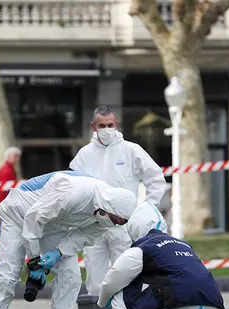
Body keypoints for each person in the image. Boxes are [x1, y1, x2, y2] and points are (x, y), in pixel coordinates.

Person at [0, 170, 138, 309]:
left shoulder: (108, 214)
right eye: (114, 220)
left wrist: (58, 253)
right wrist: (35, 261)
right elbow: (33, 219)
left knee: (71, 276)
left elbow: (82, 236)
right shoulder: (73, 193)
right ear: (108, 208)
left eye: (119, 223)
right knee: (6, 276)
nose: (114, 224)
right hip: (18, 215)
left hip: (52, 226)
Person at [97, 202, 224, 309]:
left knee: (120, 298)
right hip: (211, 303)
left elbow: (113, 279)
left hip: (178, 301)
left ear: (134, 227)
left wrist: (102, 302)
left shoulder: (143, 247)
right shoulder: (183, 244)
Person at [70, 106, 166, 297]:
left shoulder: (131, 150)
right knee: (95, 283)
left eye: (110, 125)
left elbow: (155, 178)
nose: (106, 129)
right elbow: (74, 188)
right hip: (93, 226)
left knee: (125, 279)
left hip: (123, 226)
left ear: (116, 124)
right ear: (93, 126)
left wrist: (147, 208)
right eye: (102, 125)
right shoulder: (84, 155)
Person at [0, 146, 21, 247]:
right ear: (9, 156)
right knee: (1, 222)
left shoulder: (7, 169)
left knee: (1, 222)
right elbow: (5, 189)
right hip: (5, 201)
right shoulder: (7, 170)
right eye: (15, 156)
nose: (18, 158)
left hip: (5, 201)